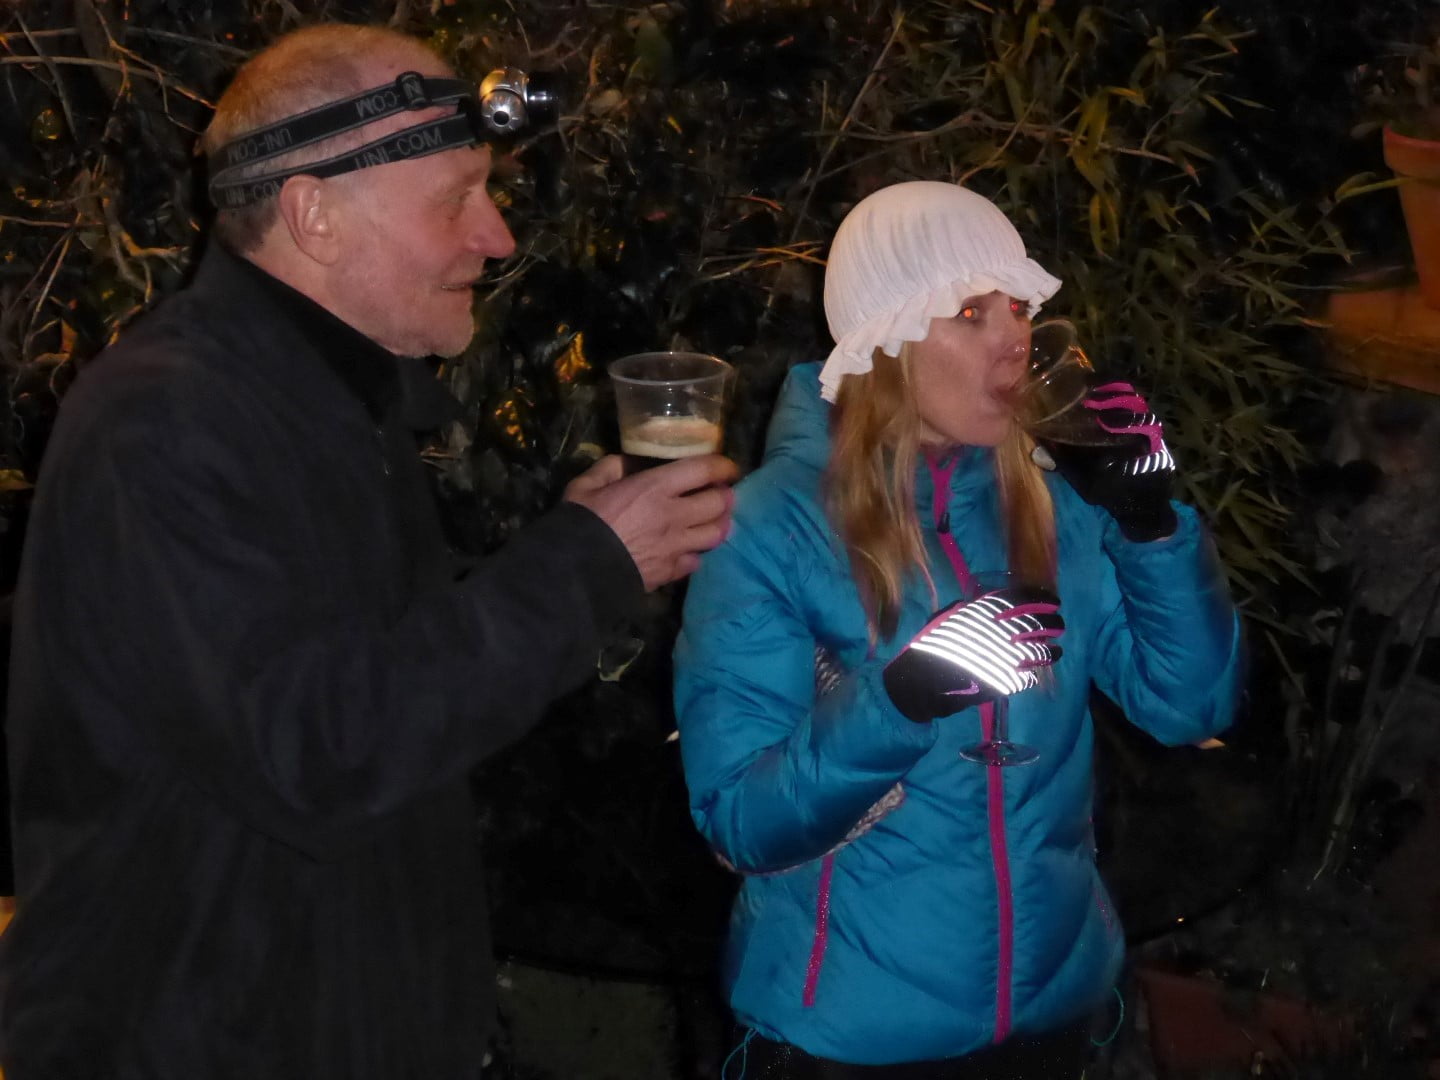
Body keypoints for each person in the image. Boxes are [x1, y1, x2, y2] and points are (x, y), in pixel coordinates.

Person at [0, 23, 735, 1080]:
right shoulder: (163, 422)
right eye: (456, 198)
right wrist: (580, 566)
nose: (496, 236)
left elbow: (382, 678)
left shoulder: (328, 406)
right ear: (315, 214)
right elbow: (321, 750)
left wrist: (579, 552)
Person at [673, 181, 1240, 1077]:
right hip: (849, 1037)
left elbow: (1191, 705)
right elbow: (740, 822)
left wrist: (1152, 529)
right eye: (973, 313)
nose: (1014, 339)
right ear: (885, 339)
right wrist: (898, 701)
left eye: (1019, 309)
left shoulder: (1052, 499)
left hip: (1054, 1013)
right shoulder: (771, 530)